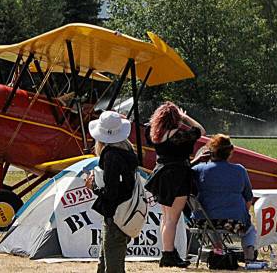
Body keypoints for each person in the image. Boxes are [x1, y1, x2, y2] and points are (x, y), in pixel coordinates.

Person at [145, 102, 204, 268]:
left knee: (166, 218)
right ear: (175, 118)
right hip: (177, 176)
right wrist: (185, 117)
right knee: (172, 219)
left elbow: (151, 125)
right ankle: (168, 255)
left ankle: (168, 252)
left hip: (161, 174)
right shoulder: (179, 135)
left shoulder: (155, 135)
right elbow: (200, 130)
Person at [85, 111, 138, 273]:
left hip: (115, 214)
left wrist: (93, 186)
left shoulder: (111, 156)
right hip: (126, 212)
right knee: (106, 259)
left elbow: (111, 192)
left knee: (112, 264)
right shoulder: (127, 152)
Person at [192, 135, 259, 263]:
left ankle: (218, 249)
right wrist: (242, 215)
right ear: (231, 151)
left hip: (204, 221)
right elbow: (248, 198)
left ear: (210, 152)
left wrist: (197, 160)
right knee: (250, 230)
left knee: (211, 223)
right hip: (234, 221)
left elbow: (182, 172)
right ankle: (249, 255)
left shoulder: (198, 169)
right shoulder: (240, 170)